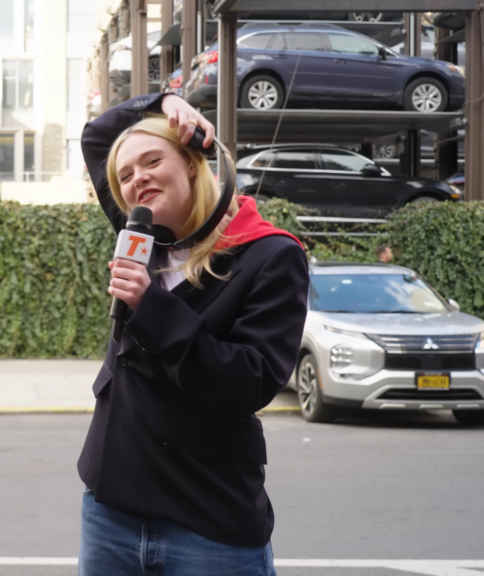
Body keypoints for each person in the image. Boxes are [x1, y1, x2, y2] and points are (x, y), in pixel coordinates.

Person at [76, 93, 310, 575]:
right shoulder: (141, 235)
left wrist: (152, 307)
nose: (137, 178)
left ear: (191, 164)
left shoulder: (269, 255)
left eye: (153, 160)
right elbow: (98, 135)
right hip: (111, 513)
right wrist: (163, 100)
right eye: (125, 175)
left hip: (209, 522)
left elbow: (250, 382)